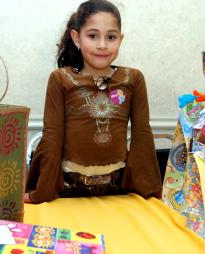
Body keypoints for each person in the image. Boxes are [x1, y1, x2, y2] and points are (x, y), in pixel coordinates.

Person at [25, 0, 162, 203]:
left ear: (120, 39)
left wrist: (150, 192)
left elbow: (142, 134)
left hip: (117, 191)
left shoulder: (133, 79)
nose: (102, 45)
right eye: (92, 36)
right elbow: (52, 136)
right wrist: (42, 191)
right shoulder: (60, 79)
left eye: (111, 37)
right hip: (68, 190)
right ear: (76, 38)